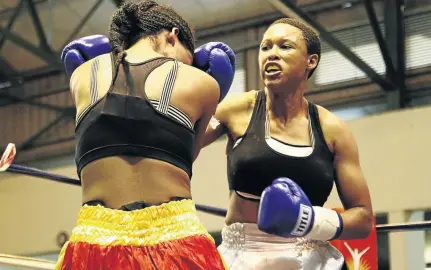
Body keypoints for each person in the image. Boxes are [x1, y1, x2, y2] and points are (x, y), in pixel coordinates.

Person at [55, 1, 235, 269]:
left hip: (94, 242)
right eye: (189, 56)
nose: (191, 64)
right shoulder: (204, 84)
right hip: (177, 238)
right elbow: (188, 156)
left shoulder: (82, 75)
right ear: (172, 36)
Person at [203, 18, 373, 269]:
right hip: (240, 258)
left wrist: (308, 220)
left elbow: (363, 218)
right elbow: (178, 147)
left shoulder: (333, 129)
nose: (272, 54)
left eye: (285, 46)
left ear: (311, 61)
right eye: (265, 47)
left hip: (311, 259)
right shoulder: (237, 109)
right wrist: (197, 91)